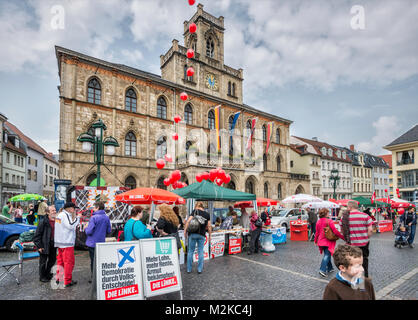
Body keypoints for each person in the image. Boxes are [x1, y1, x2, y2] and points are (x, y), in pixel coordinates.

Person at [340, 200, 373, 278]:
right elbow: (370, 230)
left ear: (350, 207)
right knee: (364, 259)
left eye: (347, 207)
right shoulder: (366, 216)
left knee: (352, 260)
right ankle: (365, 275)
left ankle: (353, 275)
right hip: (364, 243)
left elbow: (342, 230)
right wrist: (366, 237)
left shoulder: (344, 218)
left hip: (351, 243)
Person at [54, 202, 81, 288]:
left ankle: (60, 279)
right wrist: (78, 218)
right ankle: (67, 281)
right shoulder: (65, 215)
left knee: (60, 262)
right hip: (67, 242)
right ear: (69, 208)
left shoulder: (59, 215)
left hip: (60, 242)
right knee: (69, 263)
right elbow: (70, 226)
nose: (74, 210)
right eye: (74, 208)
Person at [85, 201, 111, 280]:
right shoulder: (106, 217)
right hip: (101, 243)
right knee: (99, 261)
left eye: (94, 207)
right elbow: (109, 230)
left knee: (93, 261)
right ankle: (100, 277)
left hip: (92, 243)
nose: (93, 209)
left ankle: (94, 278)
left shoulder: (93, 218)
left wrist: (86, 228)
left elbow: (89, 231)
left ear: (97, 208)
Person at [314, 208, 345, 277]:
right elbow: (335, 231)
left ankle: (330, 268)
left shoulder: (318, 222)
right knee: (327, 255)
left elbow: (317, 233)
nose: (329, 214)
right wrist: (343, 237)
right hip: (328, 241)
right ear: (325, 214)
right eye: (328, 213)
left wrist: (315, 241)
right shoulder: (329, 221)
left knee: (327, 254)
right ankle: (322, 270)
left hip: (321, 241)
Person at [184, 202, 211, 274]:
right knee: (200, 251)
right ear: (203, 207)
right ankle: (199, 269)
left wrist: (185, 231)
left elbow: (188, 221)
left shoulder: (194, 212)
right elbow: (209, 226)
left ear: (196, 206)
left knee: (190, 251)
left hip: (192, 234)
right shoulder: (207, 214)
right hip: (201, 235)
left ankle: (189, 269)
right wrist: (210, 235)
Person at [33, 206, 57, 282]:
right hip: (44, 244)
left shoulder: (57, 220)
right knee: (43, 262)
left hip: (53, 243)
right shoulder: (43, 221)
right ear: (47, 212)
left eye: (55, 210)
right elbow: (37, 235)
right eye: (52, 210)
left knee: (52, 260)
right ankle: (42, 276)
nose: (54, 211)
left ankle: (48, 273)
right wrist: (39, 246)